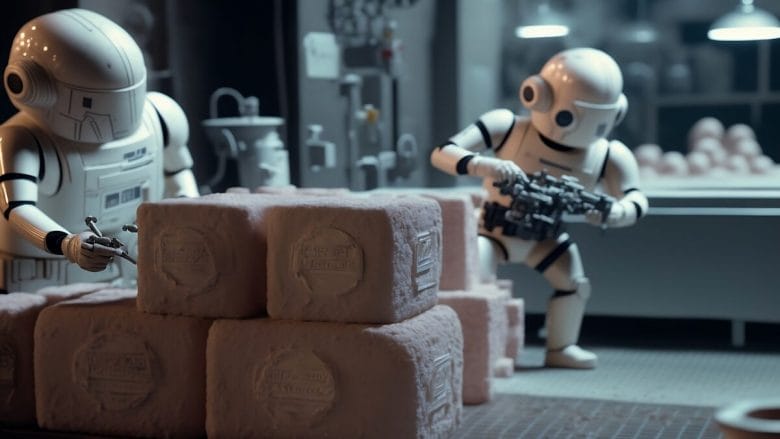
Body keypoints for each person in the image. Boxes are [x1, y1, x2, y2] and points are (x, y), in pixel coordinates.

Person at [430, 48, 648, 369]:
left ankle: (561, 347)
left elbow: (636, 198)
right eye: (572, 116)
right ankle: (476, 352)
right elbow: (442, 153)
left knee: (574, 285)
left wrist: (617, 213)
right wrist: (483, 165)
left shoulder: (607, 154)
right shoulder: (507, 127)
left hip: (546, 236)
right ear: (535, 95)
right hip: (494, 230)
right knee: (475, 282)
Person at [0, 9, 198, 293]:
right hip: (46, 278)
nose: (121, 116)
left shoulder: (160, 117)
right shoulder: (23, 141)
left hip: (135, 269)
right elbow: (17, 209)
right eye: (91, 102)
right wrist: (68, 244)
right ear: (28, 85)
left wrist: (187, 215)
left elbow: (179, 174)